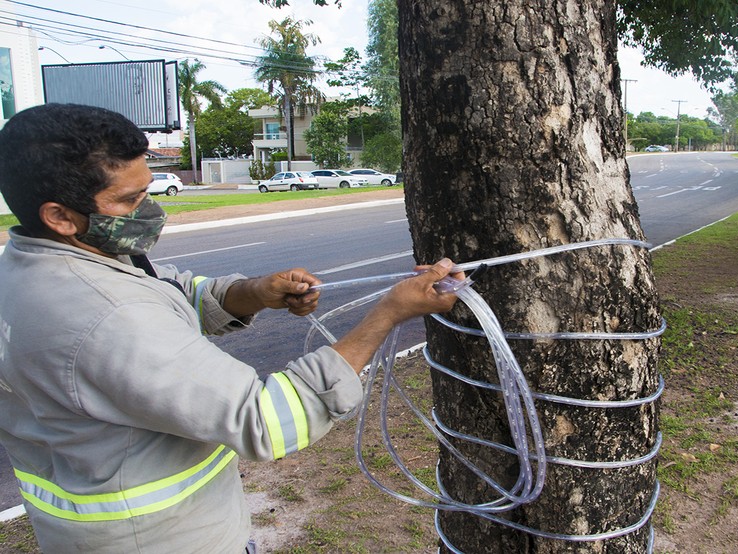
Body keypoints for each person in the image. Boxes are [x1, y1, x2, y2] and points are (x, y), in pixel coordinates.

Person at [0, 103, 463, 553]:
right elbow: (266, 421)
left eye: (146, 191)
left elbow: (167, 293)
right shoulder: (104, 315)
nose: (149, 209)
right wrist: (389, 313)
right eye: (128, 200)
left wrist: (255, 291)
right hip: (163, 540)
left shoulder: (30, 269)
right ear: (59, 216)